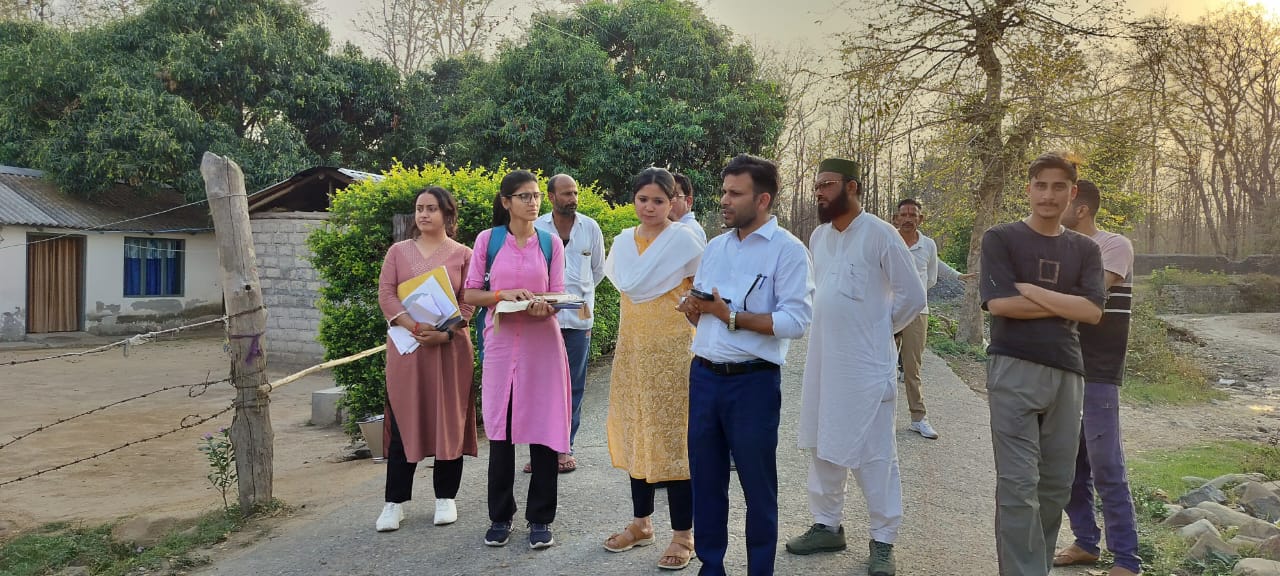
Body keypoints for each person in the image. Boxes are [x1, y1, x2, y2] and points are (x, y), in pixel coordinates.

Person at [786, 159, 926, 576]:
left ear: (852, 187)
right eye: (816, 186)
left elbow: (913, 296)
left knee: (875, 453)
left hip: (866, 368)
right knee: (823, 442)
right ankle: (827, 525)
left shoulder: (881, 234)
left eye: (826, 185)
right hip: (824, 362)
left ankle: (883, 540)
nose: (819, 192)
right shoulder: (819, 236)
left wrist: (878, 332)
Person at [677, 153, 814, 576]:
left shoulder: (788, 251)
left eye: (735, 193)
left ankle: (760, 569)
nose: (724, 200)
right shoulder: (715, 247)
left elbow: (796, 321)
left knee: (758, 486)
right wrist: (695, 310)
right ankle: (711, 566)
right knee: (706, 481)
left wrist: (730, 316)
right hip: (705, 377)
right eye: (724, 191)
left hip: (753, 384)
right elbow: (707, 308)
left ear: (763, 200)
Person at [979, 152, 1105, 576]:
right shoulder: (1001, 238)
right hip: (1013, 367)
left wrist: (1032, 291)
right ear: (1029, 189)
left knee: (1054, 487)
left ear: (1072, 193)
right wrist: (1068, 303)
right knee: (1018, 485)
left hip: (1068, 373)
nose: (1048, 195)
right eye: (1041, 185)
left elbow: (1093, 311)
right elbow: (1000, 304)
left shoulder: (1085, 249)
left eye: (1058, 187)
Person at [602, 167, 706, 571]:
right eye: (643, 199)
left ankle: (683, 535)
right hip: (633, 352)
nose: (650, 207)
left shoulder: (685, 241)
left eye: (659, 200)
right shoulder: (622, 243)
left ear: (673, 202)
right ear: (634, 200)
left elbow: (703, 292)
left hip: (674, 354)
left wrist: (694, 307)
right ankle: (641, 524)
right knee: (636, 433)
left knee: (674, 440)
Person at [463, 170, 571, 550]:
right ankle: (500, 516)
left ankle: (541, 518)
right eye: (525, 196)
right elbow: (470, 294)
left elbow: (559, 293)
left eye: (537, 195)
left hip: (543, 345)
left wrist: (546, 306)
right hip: (501, 345)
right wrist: (501, 295)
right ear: (506, 201)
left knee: (544, 430)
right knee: (501, 431)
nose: (533, 202)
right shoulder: (488, 241)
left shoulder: (550, 243)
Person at [375, 186, 477, 532]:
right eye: (419, 208)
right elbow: (386, 294)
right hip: (408, 349)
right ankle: (394, 502)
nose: (423, 214)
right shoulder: (398, 252)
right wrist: (413, 325)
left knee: (449, 421)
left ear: (448, 214)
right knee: (405, 420)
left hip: (450, 350)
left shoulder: (464, 254)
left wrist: (446, 333)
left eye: (431, 208)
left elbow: (468, 299)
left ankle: (445, 497)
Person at [1054, 179, 1141, 576]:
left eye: (1062, 199)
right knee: (1069, 463)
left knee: (1107, 465)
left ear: (1081, 208)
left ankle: (1126, 559)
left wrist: (1039, 291)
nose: (1052, 205)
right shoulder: (1061, 247)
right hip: (1064, 367)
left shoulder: (1114, 245)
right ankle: (1086, 541)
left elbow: (1092, 295)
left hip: (1100, 371)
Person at [533, 173, 606, 474]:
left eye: (575, 193)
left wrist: (580, 297)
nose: (572, 199)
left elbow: (598, 271)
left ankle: (565, 447)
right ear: (551, 197)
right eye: (566, 194)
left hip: (578, 320)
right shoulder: (536, 228)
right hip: (542, 319)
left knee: (573, 385)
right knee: (540, 385)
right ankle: (540, 452)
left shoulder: (590, 227)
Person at [892, 198, 941, 439]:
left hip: (917, 313)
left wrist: (914, 297)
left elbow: (931, 279)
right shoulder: (889, 240)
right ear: (896, 218)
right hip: (888, 311)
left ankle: (918, 418)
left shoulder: (928, 245)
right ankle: (878, 419)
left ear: (921, 219)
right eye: (904, 214)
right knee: (881, 366)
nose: (908, 219)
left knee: (912, 369)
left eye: (913, 215)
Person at [670, 172, 708, 243]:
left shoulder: (690, 230)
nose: (668, 200)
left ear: (688, 201)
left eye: (673, 195)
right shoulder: (674, 228)